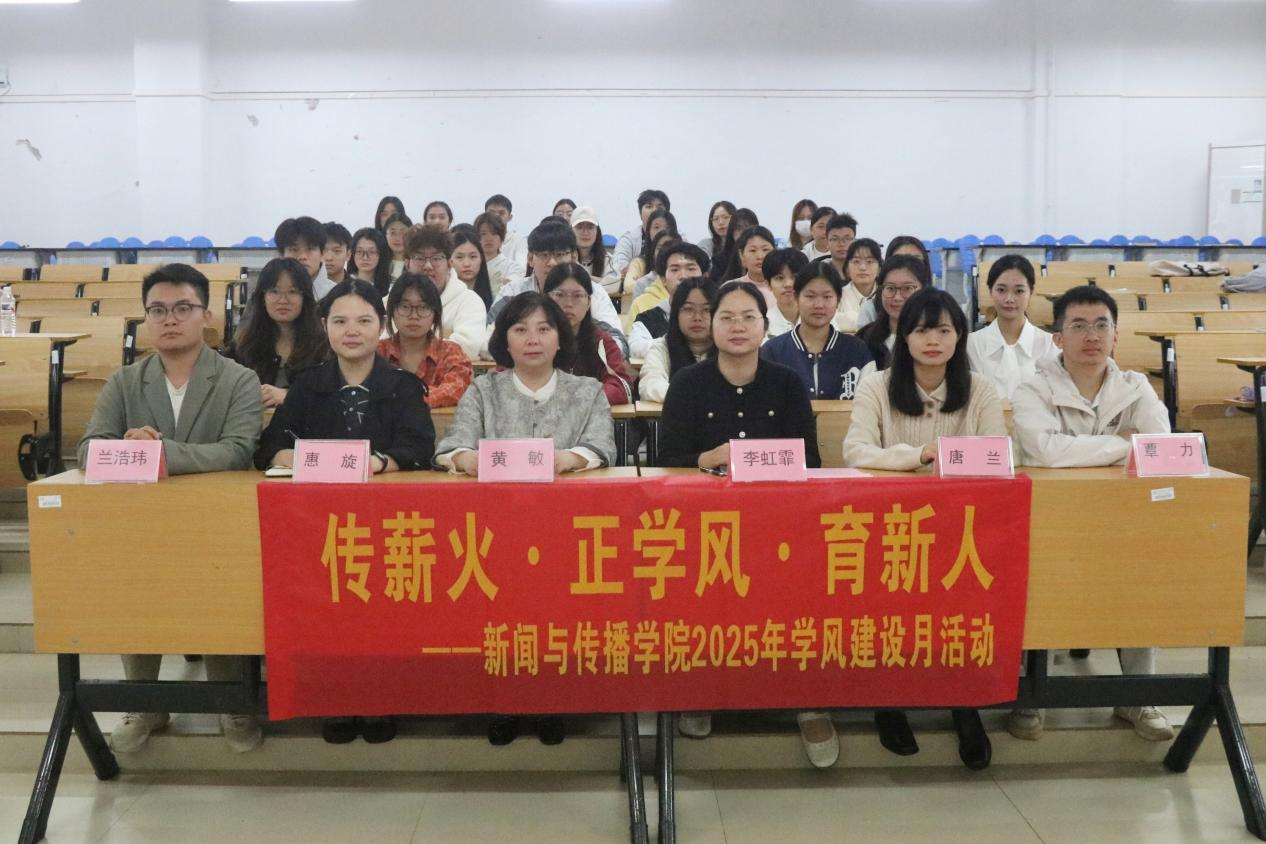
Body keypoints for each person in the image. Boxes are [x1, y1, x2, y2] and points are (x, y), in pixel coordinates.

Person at [78, 264, 264, 755]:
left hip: (218, 524)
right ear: (146, 318)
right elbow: (88, 450)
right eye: (158, 310)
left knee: (224, 602)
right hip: (142, 525)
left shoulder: (239, 379)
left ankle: (233, 702)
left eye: (183, 308)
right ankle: (144, 703)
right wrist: (125, 447)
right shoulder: (125, 381)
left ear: (206, 316)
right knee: (138, 598)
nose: (170, 319)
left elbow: (238, 451)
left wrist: (157, 454)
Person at [435, 290, 616, 747]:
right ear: (505, 341)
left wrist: (570, 459)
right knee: (502, 619)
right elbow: (451, 447)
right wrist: (466, 459)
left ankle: (551, 701)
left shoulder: (587, 391)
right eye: (520, 329)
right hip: (495, 532)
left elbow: (602, 447)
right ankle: (504, 701)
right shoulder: (484, 390)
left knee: (554, 619)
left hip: (565, 531)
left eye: (544, 329)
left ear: (560, 338)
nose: (532, 339)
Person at [842, 287, 1005, 771]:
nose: (933, 340)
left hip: (961, 528)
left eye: (944, 330)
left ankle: (963, 702)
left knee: (962, 607)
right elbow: (855, 451)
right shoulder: (877, 385)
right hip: (888, 527)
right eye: (921, 330)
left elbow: (998, 454)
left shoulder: (981, 390)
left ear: (960, 335)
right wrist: (919, 456)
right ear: (902, 336)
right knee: (889, 606)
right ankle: (888, 699)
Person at [1010, 285, 1174, 743]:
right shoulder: (1033, 388)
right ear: (1057, 338)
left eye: (1102, 325)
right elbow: (1044, 451)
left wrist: (1089, 450)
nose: (1092, 336)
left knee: (1144, 575)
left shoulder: (1135, 387)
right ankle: (1031, 693)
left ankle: (1138, 696)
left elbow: (1158, 446)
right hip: (1051, 524)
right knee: (1036, 580)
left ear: (1116, 335)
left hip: (1124, 523)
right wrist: (1123, 446)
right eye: (1079, 326)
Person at [658, 281, 820, 743]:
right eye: (726, 317)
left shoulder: (787, 383)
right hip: (702, 525)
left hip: (777, 522)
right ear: (711, 326)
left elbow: (810, 461)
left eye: (749, 317)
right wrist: (706, 459)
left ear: (765, 327)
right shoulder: (687, 384)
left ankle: (807, 699)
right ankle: (701, 690)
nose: (737, 326)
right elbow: (666, 461)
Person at [488, 219, 627, 355]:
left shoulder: (592, 292)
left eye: (560, 255)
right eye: (544, 255)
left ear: (574, 258)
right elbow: (488, 341)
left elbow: (618, 343)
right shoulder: (512, 293)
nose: (552, 263)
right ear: (530, 259)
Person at [222, 257, 329, 409]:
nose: (283, 300)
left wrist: (289, 396)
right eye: (274, 291)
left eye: (292, 291)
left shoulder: (323, 347)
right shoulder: (243, 346)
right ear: (262, 297)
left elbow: (331, 397)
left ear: (304, 297)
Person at [761, 260, 874, 400]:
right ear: (796, 298)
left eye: (827, 297)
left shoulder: (858, 351)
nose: (819, 305)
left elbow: (869, 403)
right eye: (810, 296)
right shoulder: (773, 351)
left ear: (838, 300)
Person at [967, 255, 1058, 400]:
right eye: (1001, 290)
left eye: (1019, 291)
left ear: (1031, 292)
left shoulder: (1050, 345)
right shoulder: (972, 344)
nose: (1009, 299)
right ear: (990, 291)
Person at [543, 264, 634, 405]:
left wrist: (578, 398)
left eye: (577, 296)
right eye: (559, 295)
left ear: (589, 302)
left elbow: (620, 387)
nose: (568, 304)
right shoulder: (532, 340)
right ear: (546, 299)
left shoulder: (601, 342)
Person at [377, 273, 472, 408]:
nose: (414, 316)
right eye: (405, 307)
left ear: (435, 314)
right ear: (392, 311)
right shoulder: (378, 352)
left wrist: (403, 399)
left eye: (423, 307)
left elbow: (456, 388)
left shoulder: (450, 352)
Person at [402, 224, 488, 360]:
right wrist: (444, 334)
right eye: (419, 258)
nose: (428, 266)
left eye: (436, 258)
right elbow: (382, 346)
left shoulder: (469, 301)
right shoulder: (391, 300)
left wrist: (411, 339)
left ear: (449, 264)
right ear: (407, 264)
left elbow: (467, 347)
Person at [638, 276, 716, 403]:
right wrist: (696, 396)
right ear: (676, 313)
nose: (697, 317)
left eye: (707, 310)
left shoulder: (729, 347)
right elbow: (650, 385)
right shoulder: (662, 347)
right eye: (689, 309)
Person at [628, 240, 710, 357]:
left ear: (705, 276)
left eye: (691, 269)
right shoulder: (647, 319)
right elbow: (636, 347)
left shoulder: (717, 312)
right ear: (663, 280)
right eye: (675, 270)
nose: (683, 276)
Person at [856, 255, 933, 370]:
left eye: (907, 288)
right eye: (890, 288)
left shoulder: (935, 337)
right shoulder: (864, 338)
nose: (897, 297)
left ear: (924, 290)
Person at [855, 236, 931, 331]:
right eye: (899, 260)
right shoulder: (871, 309)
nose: (907, 265)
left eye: (915, 260)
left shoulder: (938, 309)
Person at [613, 188, 670, 277]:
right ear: (640, 214)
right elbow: (619, 265)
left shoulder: (677, 237)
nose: (654, 210)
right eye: (649, 206)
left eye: (659, 207)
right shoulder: (629, 238)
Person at [719, 225, 777, 310]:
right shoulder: (729, 289)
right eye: (753, 250)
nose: (760, 256)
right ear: (741, 255)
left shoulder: (785, 288)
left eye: (765, 250)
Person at [623, 209, 678, 295]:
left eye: (667, 227)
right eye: (656, 227)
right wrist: (646, 282)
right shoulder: (640, 262)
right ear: (648, 231)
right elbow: (628, 286)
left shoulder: (683, 261)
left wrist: (642, 282)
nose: (661, 231)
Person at [275, 216, 332, 299]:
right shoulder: (270, 294)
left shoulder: (337, 295)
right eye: (294, 249)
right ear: (281, 255)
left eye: (310, 249)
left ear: (322, 253)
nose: (302, 257)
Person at [834, 237, 883, 332]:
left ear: (879, 269)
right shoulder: (837, 295)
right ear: (847, 269)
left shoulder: (887, 296)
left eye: (869, 262)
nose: (862, 267)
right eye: (856, 261)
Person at [572, 206, 620, 297]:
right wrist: (597, 281)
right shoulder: (565, 258)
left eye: (590, 227)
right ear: (571, 231)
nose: (585, 232)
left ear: (597, 231)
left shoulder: (608, 259)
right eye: (579, 227)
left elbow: (614, 285)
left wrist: (583, 282)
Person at [761, 248, 808, 337]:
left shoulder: (820, 317)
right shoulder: (762, 323)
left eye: (794, 277)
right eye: (779, 278)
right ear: (768, 284)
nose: (788, 284)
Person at [475, 210, 525, 291]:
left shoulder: (513, 267)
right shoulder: (471, 266)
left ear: (502, 238)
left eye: (494, 233)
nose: (489, 238)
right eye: (483, 234)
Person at [450, 224, 495, 309]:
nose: (467, 264)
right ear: (449, 261)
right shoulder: (443, 297)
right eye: (459, 257)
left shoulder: (496, 298)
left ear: (481, 258)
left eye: (473, 257)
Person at [709, 207, 759, 283]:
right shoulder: (720, 260)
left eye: (748, 227)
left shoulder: (763, 255)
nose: (744, 232)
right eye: (739, 228)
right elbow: (714, 285)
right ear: (731, 231)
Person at [483, 194, 528, 270]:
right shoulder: (476, 239)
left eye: (501, 213)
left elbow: (521, 269)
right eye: (492, 213)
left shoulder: (519, 241)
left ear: (510, 217)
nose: (496, 217)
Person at [348, 227, 393, 298]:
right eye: (359, 251)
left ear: (381, 254)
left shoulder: (391, 288)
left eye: (372, 252)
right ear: (352, 254)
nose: (365, 257)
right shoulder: (344, 284)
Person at [824, 213, 858, 281]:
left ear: (855, 241)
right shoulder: (820, 273)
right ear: (827, 243)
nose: (841, 244)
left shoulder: (865, 272)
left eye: (847, 239)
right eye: (835, 239)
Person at [382, 212, 413, 280]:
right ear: (385, 235)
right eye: (393, 233)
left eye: (403, 233)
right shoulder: (379, 262)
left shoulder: (416, 263)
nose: (398, 238)